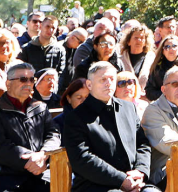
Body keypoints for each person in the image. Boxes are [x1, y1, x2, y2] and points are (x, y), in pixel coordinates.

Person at [63, 61, 157, 192]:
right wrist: (121, 179)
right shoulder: (76, 117)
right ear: (89, 85)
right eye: (102, 80)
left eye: (112, 79)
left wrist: (140, 171)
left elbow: (142, 143)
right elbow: (82, 158)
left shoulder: (128, 108)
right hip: (96, 185)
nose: (108, 83)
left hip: (135, 179)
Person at [0, 62, 59, 192]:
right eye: (23, 79)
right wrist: (30, 159)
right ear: (8, 84)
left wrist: (43, 154)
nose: (28, 83)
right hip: (4, 175)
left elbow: (53, 134)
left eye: (32, 79)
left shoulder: (40, 107)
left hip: (39, 170)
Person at [145, 37, 178, 102]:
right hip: (162, 104)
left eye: (174, 46)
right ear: (163, 50)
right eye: (167, 47)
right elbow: (149, 91)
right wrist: (168, 95)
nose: (171, 49)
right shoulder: (157, 66)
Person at [119, 26, 155, 94]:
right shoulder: (120, 60)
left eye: (142, 38)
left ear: (145, 42)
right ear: (128, 41)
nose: (139, 40)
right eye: (136, 38)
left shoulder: (152, 59)